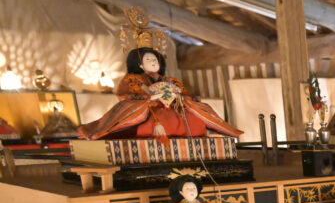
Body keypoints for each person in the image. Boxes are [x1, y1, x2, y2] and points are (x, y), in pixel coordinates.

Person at [78, 47, 241, 142]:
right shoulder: (133, 80)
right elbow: (125, 97)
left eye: (155, 58)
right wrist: (151, 98)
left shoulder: (169, 80)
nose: (153, 61)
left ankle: (209, 131)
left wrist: (180, 97)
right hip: (150, 110)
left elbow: (188, 95)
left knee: (194, 117)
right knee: (159, 120)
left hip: (174, 107)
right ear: (140, 64)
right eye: (149, 59)